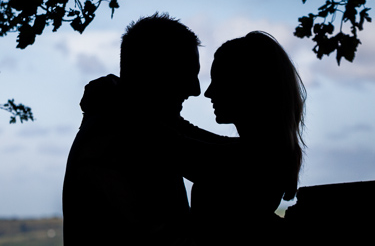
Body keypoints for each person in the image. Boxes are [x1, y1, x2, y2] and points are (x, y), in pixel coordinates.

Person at [62, 13, 228, 246]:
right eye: (186, 74)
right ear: (155, 71)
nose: (196, 90)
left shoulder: (138, 123)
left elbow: (216, 151)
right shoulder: (116, 139)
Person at [190, 31, 306, 245]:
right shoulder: (265, 152)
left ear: (247, 87)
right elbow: (191, 136)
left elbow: (174, 144)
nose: (208, 92)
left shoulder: (249, 158)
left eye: (219, 81)